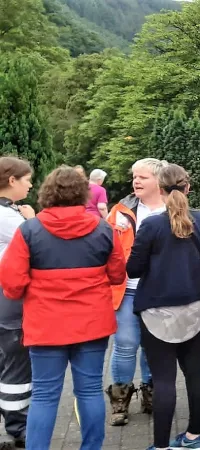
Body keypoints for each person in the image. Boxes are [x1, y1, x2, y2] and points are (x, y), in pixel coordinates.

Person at [0, 166, 126, 450]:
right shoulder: (104, 229)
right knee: (90, 390)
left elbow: (12, 282)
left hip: (45, 326)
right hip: (93, 324)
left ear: (48, 193)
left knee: (45, 395)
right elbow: (118, 275)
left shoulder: (30, 230)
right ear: (83, 193)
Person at [127, 163, 200, 450]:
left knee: (164, 378)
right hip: (194, 307)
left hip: (156, 311)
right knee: (195, 371)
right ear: (188, 187)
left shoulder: (151, 225)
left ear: (160, 189)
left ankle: (160, 447)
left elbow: (133, 269)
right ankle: (194, 439)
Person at [104, 158, 167, 426]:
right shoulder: (120, 211)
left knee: (153, 345)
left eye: (143, 177)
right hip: (126, 290)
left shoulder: (172, 210)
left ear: (159, 181)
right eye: (134, 177)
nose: (136, 181)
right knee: (126, 344)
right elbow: (104, 245)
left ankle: (152, 394)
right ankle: (120, 400)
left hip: (160, 292)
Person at [0, 157, 33, 448]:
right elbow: (39, 244)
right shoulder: (9, 219)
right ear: (12, 181)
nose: (30, 184)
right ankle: (19, 430)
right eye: (26, 179)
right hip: (8, 305)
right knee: (16, 370)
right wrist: (32, 219)